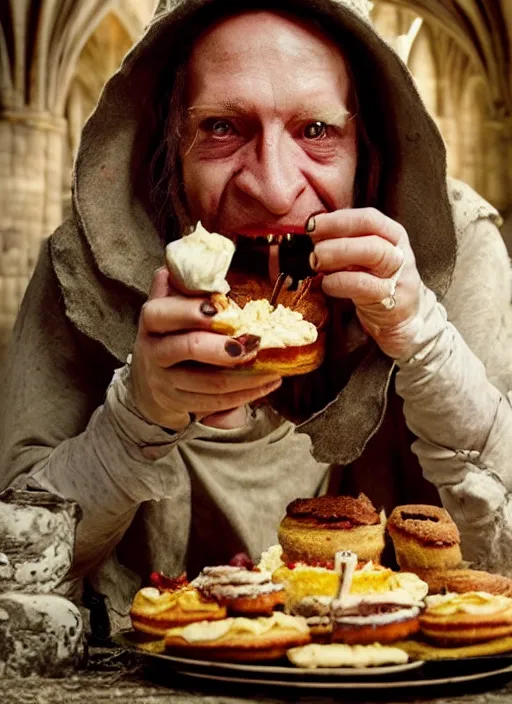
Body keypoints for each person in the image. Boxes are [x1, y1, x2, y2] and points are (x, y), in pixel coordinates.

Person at [1, 0, 512, 634]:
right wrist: (138, 416)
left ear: (369, 143)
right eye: (221, 127)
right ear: (167, 142)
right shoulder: (84, 267)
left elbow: (500, 569)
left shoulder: (459, 250)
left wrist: (426, 345)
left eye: (317, 131)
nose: (272, 188)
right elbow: (13, 564)